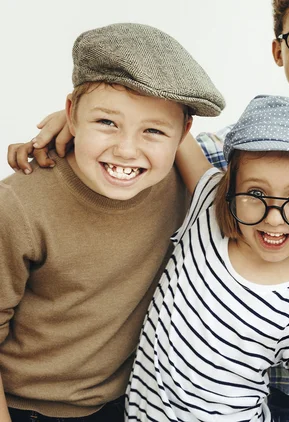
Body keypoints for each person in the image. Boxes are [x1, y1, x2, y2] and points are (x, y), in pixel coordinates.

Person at [8, 1, 289, 420]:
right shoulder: (223, 164)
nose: (275, 215)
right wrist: (74, 120)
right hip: (281, 390)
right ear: (278, 48)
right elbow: (154, 134)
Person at [0, 22, 225, 421]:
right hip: (26, 408)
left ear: (183, 134)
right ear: (71, 113)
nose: (126, 150)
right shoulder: (17, 205)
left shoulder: (182, 187)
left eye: (153, 131)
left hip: (127, 404)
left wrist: (100, 118)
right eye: (107, 123)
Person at [126, 94, 289, 422]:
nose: (274, 218)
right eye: (256, 193)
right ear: (229, 191)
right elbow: (167, 126)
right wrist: (80, 125)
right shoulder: (208, 205)